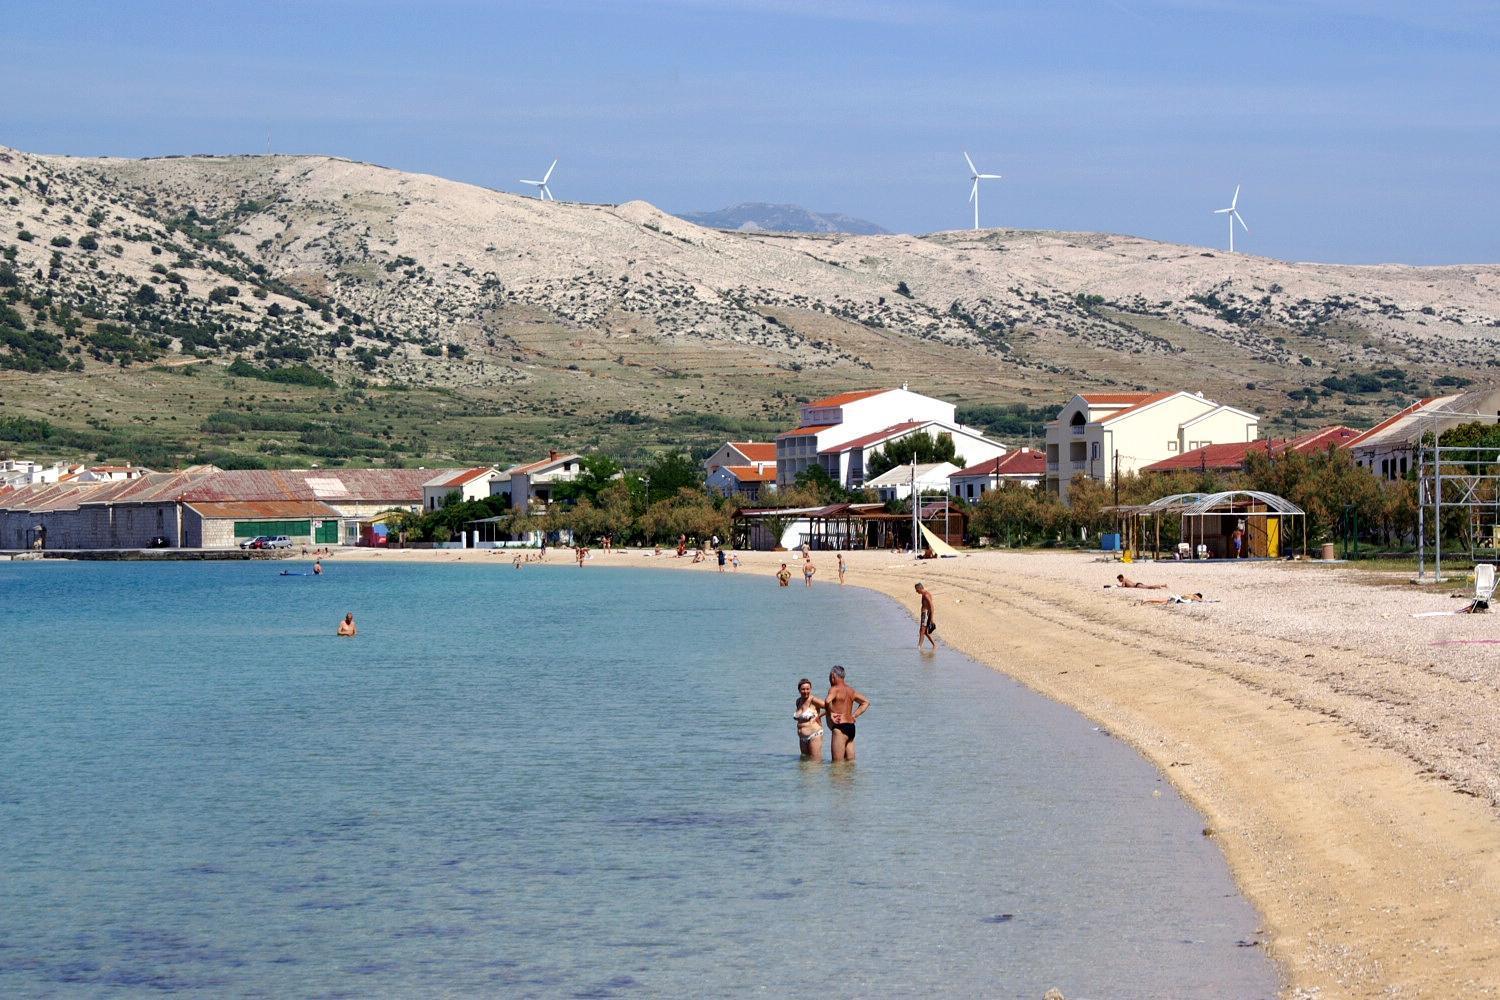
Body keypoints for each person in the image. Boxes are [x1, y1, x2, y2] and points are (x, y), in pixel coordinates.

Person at [824, 665, 869, 762]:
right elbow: (866, 702)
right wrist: (854, 715)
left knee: (837, 766)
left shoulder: (834, 689)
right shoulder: (851, 690)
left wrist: (831, 713)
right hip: (851, 728)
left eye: (829, 677)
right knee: (850, 764)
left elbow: (827, 701)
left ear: (833, 676)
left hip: (839, 728)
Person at [793, 678, 827, 759]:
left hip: (814, 735)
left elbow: (829, 707)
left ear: (810, 689)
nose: (805, 691)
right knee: (804, 763)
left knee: (815, 763)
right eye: (803, 689)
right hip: (802, 738)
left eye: (808, 689)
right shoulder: (798, 701)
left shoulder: (813, 700)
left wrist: (819, 716)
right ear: (799, 690)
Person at [915, 582, 937, 649]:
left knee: (922, 630)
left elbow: (931, 606)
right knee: (925, 632)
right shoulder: (924, 594)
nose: (916, 591)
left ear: (920, 588)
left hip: (926, 614)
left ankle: (919, 647)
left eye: (917, 590)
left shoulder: (926, 595)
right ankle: (934, 645)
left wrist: (932, 618)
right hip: (925, 614)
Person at [1142, 592, 1207, 605]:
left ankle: (1147, 600)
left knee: (1160, 600)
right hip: (1176, 600)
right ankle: (1148, 601)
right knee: (1161, 602)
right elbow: (1200, 600)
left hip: (1176, 597)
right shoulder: (1194, 596)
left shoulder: (1190, 594)